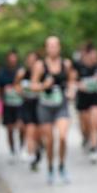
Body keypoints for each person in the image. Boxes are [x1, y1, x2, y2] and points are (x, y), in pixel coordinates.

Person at [31, 36, 75, 184]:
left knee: (63, 137)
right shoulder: (40, 65)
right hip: (45, 106)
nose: (53, 48)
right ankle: (50, 168)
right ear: (46, 48)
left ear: (59, 47)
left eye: (55, 45)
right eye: (50, 46)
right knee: (49, 141)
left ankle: (61, 166)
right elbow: (33, 86)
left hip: (61, 105)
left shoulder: (66, 64)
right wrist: (44, 86)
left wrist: (71, 91)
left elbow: (71, 80)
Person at [75, 43, 97, 162]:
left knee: (94, 123)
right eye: (93, 55)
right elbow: (72, 80)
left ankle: (94, 148)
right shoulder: (79, 66)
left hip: (95, 98)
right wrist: (80, 85)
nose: (94, 58)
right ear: (87, 55)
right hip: (83, 99)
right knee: (86, 125)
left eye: (96, 56)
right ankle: (85, 137)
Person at [17, 50, 43, 170]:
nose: (31, 63)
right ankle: (29, 152)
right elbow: (16, 85)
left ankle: (36, 152)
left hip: (39, 105)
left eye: (34, 60)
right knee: (29, 129)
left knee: (37, 134)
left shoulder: (42, 74)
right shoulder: (22, 73)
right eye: (29, 60)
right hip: (27, 104)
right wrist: (20, 91)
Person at [0, 50, 23, 161]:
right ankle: (12, 150)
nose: (12, 60)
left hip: (19, 103)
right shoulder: (2, 72)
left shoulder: (21, 71)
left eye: (14, 57)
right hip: (8, 104)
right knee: (10, 129)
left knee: (21, 127)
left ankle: (22, 147)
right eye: (10, 58)